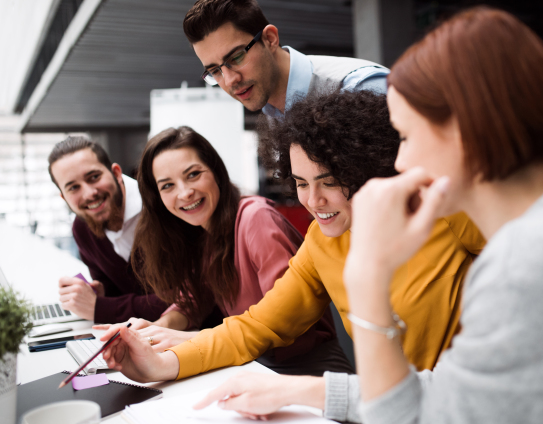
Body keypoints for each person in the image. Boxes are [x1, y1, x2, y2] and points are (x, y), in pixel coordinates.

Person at [99, 91, 486, 422]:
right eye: (301, 183)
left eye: (330, 182)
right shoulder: (321, 241)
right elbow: (255, 326)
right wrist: (164, 365)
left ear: (366, 170)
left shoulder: (441, 211)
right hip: (389, 408)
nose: (314, 201)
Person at [342, 7, 543, 424]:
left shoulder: (529, 263)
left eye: (405, 136)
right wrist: (308, 390)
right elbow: (461, 391)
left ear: (464, 130)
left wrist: (367, 274)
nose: (401, 162)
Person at [96, 126, 352, 376]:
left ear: (216, 172)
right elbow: (193, 299)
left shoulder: (256, 218)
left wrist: (189, 340)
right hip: (257, 364)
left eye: (193, 174)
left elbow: (282, 324)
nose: (185, 193)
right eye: (167, 186)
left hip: (303, 367)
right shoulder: (205, 232)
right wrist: (156, 331)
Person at [183, 0, 389, 118]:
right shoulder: (273, 114)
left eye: (236, 57)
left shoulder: (360, 88)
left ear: (270, 39)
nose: (229, 80)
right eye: (215, 71)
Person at [47, 137, 167, 323]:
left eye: (94, 177)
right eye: (73, 187)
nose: (89, 194)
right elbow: (120, 292)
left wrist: (100, 308)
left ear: (116, 173)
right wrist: (101, 294)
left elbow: (187, 300)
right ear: (64, 198)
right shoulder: (82, 228)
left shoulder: (163, 206)